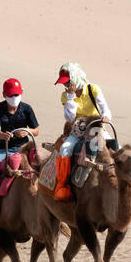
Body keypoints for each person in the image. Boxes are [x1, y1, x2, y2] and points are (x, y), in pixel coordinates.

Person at [52, 62, 122, 203]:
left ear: (76, 78)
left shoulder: (93, 89)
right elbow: (70, 118)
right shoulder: (65, 96)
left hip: (96, 127)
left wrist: (106, 116)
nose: (66, 86)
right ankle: (62, 186)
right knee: (65, 149)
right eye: (64, 83)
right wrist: (71, 97)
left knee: (118, 149)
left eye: (68, 82)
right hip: (78, 130)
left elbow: (106, 109)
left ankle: (128, 187)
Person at [0, 79, 40, 222]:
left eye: (17, 95)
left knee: (41, 166)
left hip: (24, 148)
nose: (14, 98)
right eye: (11, 95)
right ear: (4, 95)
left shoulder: (27, 109)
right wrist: (3, 135)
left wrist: (26, 131)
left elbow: (36, 131)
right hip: (2, 148)